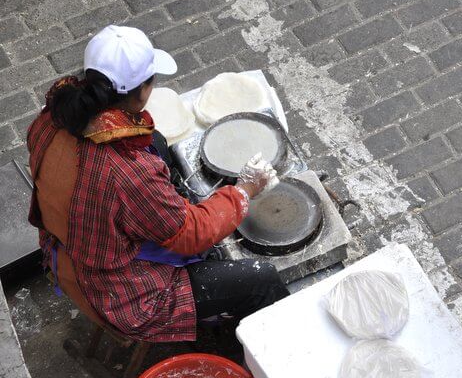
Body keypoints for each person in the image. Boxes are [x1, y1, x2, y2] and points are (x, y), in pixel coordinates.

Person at [27, 25, 289, 345]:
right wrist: (244, 190)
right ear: (141, 92)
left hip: (68, 245)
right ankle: (256, 349)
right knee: (263, 280)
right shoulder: (128, 173)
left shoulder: (50, 118)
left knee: (157, 141)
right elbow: (193, 233)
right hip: (116, 292)